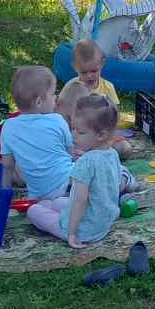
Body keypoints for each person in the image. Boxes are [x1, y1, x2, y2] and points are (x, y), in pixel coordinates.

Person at [26, 94, 122, 248]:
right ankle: (50, 207)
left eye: (81, 132)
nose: (73, 135)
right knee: (56, 202)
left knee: (33, 210)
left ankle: (63, 224)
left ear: (101, 135)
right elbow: (114, 187)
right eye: (73, 129)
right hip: (103, 222)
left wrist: (71, 233)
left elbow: (80, 200)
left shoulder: (85, 162)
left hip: (84, 230)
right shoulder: (112, 154)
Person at [0, 65, 73, 199]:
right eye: (52, 94)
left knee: (38, 209)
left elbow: (7, 167)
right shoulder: (57, 120)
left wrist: (2, 196)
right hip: (69, 182)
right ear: (39, 102)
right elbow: (71, 153)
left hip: (39, 195)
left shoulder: (8, 126)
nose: (55, 97)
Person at [57, 39, 134, 159]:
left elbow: (115, 115)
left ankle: (94, 154)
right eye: (84, 72)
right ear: (75, 67)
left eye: (94, 71)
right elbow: (63, 117)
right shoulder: (73, 88)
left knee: (125, 148)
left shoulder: (107, 87)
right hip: (79, 137)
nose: (89, 76)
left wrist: (110, 136)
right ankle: (87, 155)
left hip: (101, 137)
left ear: (102, 63)